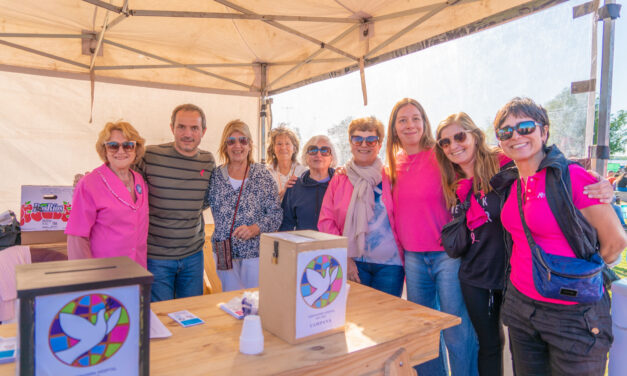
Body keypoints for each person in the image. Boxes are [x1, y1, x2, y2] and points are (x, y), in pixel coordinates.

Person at [491, 97, 627, 375]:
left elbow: (616, 242)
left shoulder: (575, 178)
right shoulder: (512, 183)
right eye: (506, 132)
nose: (515, 136)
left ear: (544, 131)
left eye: (525, 127)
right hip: (521, 307)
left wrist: (577, 274)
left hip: (572, 314)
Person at [386, 98, 478, 376]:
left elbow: (481, 157)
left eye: (415, 118)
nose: (410, 124)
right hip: (413, 259)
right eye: (402, 120)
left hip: (447, 256)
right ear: (395, 128)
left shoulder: (441, 155)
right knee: (423, 334)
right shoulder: (391, 165)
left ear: (424, 123)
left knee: (455, 330)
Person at [434, 113, 507, 376]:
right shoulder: (452, 183)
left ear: (475, 136)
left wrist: (592, 179)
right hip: (476, 276)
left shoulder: (504, 165)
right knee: (489, 344)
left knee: (525, 346)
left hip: (514, 274)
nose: (453, 145)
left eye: (459, 136)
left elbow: (544, 165)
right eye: (444, 142)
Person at [318, 117, 404, 297]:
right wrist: (344, 257)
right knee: (355, 319)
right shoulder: (340, 178)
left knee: (386, 319)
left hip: (390, 265)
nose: (364, 144)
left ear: (380, 145)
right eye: (358, 139)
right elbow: (326, 221)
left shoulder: (392, 177)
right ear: (350, 143)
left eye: (371, 140)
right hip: (353, 263)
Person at [138, 104, 216, 301]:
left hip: (193, 256)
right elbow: (123, 180)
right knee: (162, 317)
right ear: (172, 128)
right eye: (181, 127)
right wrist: (88, 179)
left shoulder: (207, 161)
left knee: (192, 314)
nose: (187, 134)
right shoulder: (150, 156)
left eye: (194, 128)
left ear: (203, 131)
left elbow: (206, 199)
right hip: (157, 256)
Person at [205, 119, 282, 292]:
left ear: (250, 145)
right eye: (231, 141)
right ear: (225, 146)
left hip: (255, 254)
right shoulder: (216, 176)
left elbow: (276, 214)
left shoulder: (262, 175)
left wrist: (254, 228)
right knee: (230, 300)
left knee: (254, 302)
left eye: (243, 140)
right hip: (223, 252)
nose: (237, 146)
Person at [66, 121, 149, 267]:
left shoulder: (139, 181)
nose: (121, 151)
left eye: (128, 145)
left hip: (137, 270)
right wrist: (85, 277)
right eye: (113, 146)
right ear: (104, 150)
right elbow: (77, 236)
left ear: (136, 149)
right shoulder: (89, 183)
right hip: (104, 274)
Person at [280, 135, 337, 231]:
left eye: (324, 151)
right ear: (306, 156)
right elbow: (286, 225)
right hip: (303, 244)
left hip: (335, 244)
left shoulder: (341, 185)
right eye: (312, 150)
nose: (318, 155)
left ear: (331, 158)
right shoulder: (293, 186)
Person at [266, 126, 307, 200]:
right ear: (273, 149)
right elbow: (261, 203)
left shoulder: (304, 172)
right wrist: (284, 192)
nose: (283, 147)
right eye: (279, 144)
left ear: (294, 148)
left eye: (287, 143)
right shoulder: (265, 173)